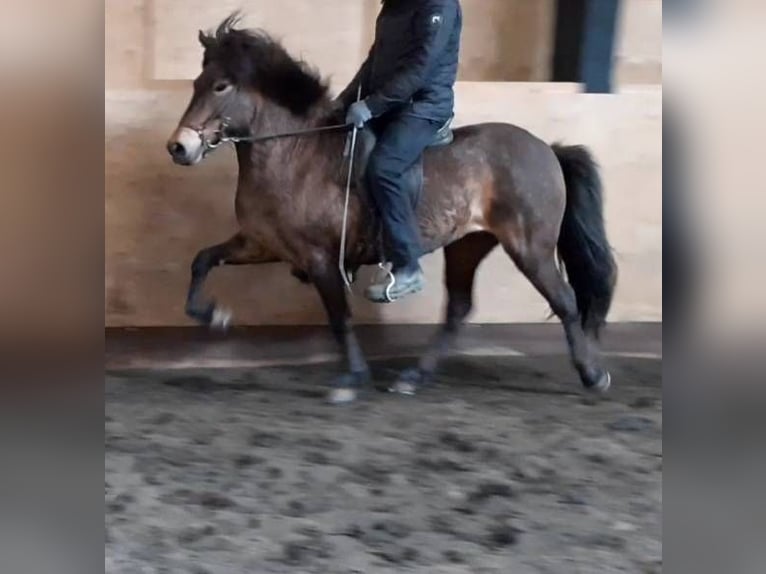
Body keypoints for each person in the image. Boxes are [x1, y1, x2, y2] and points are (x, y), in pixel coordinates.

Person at [337, 0, 463, 303]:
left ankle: (408, 267)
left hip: (423, 107)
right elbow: (374, 62)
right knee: (344, 155)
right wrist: (340, 103)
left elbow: (420, 68)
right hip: (390, 104)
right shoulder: (393, 6)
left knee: (384, 168)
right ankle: (356, 249)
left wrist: (371, 105)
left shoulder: (439, 5)